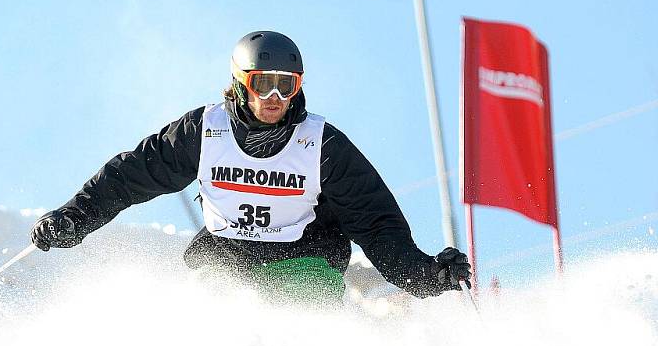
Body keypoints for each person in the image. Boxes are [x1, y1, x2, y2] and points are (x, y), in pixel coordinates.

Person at [31, 31, 471, 302]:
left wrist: (424, 275)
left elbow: (374, 223)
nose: (275, 99)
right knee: (215, 316)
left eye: (286, 86)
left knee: (301, 305)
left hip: (305, 256)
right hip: (227, 255)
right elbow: (131, 177)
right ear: (242, 82)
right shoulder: (204, 132)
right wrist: (74, 219)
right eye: (264, 84)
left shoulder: (321, 145)